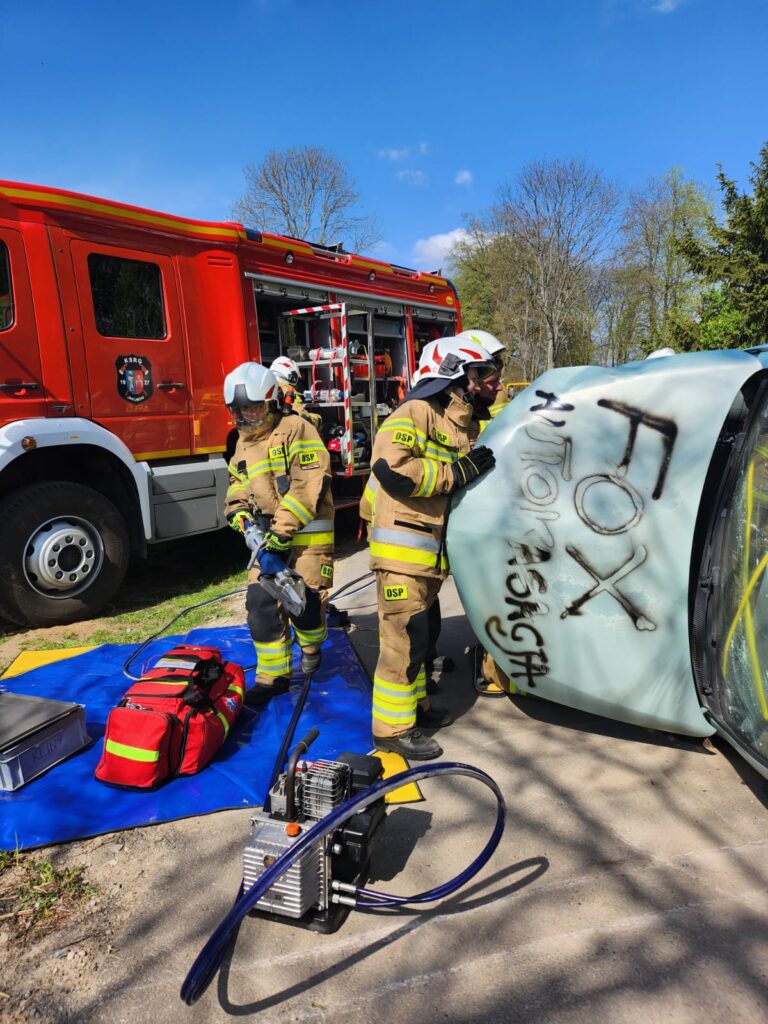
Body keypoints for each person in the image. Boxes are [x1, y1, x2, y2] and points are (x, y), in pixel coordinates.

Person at [364, 337, 498, 759]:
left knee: (421, 638)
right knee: (402, 642)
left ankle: (416, 708)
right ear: (456, 374)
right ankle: (392, 729)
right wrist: (454, 472)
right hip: (401, 555)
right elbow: (392, 469)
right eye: (481, 373)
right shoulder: (415, 412)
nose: (491, 381)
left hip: (426, 557)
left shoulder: (458, 423)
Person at [223, 362, 334, 702]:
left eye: (254, 408)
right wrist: (239, 513)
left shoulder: (298, 429)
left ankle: (311, 647)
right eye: (239, 411)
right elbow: (237, 484)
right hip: (267, 538)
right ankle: (272, 678)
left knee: (305, 604)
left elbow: (307, 487)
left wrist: (281, 532)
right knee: (259, 604)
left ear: (271, 402)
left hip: (306, 536)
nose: (247, 417)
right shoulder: (242, 444)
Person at [270, 355, 323, 428]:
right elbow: (301, 417)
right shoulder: (288, 390)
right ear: (292, 376)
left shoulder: (268, 387)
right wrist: (317, 419)